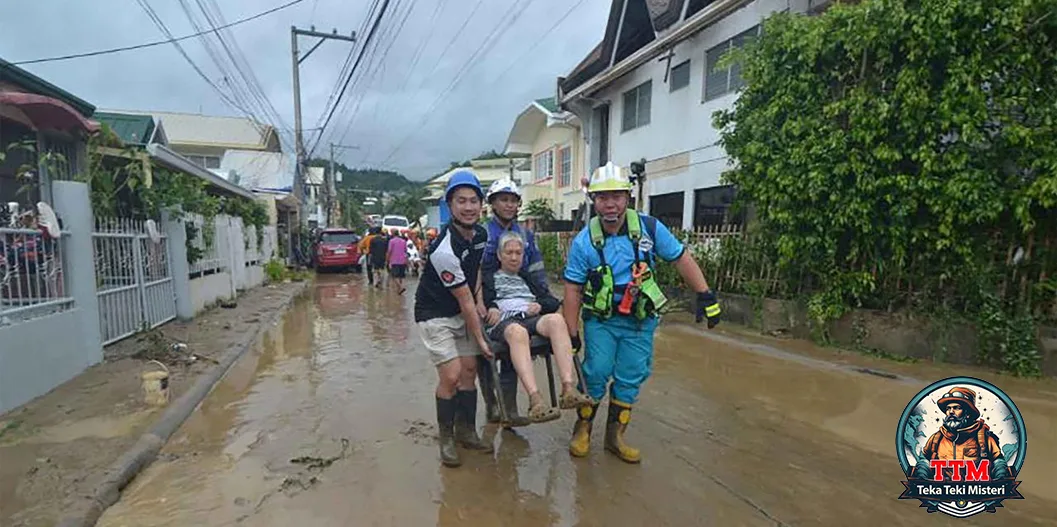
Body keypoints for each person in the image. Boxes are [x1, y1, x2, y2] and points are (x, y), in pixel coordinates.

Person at [562, 162, 722, 463]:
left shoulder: (650, 228)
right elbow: (573, 289)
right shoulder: (584, 241)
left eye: (617, 196)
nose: (610, 204)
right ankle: (582, 429)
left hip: (639, 320)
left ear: (628, 197)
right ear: (594, 200)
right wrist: (570, 334)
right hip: (602, 321)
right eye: (603, 197)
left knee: (630, 375)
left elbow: (680, 258)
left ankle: (615, 437)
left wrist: (705, 294)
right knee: (596, 372)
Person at [414, 170, 494, 468]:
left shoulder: (481, 235)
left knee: (469, 370)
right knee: (451, 375)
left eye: (474, 200)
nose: (468, 207)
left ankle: (467, 431)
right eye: (461, 201)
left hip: (464, 310)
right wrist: (482, 339)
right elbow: (464, 299)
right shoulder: (443, 249)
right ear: (450, 205)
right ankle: (446, 438)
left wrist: (481, 300)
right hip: (434, 314)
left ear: (481, 205)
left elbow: (476, 273)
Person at [483, 231, 594, 422]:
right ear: (500, 255)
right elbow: (481, 301)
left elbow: (551, 301)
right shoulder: (488, 278)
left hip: (531, 317)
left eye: (518, 253)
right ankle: (535, 399)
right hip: (505, 321)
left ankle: (568, 388)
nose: (514, 257)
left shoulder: (528, 278)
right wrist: (491, 306)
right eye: (509, 253)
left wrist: (540, 305)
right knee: (518, 332)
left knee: (557, 321)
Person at [475, 179, 546, 428]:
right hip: (486, 301)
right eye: (503, 200)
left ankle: (510, 410)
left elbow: (536, 271)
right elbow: (474, 272)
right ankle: (493, 406)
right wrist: (481, 303)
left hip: (516, 301)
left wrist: (543, 301)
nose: (508, 205)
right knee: (485, 353)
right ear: (493, 204)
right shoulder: (481, 233)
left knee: (512, 351)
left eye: (513, 201)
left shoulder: (525, 235)